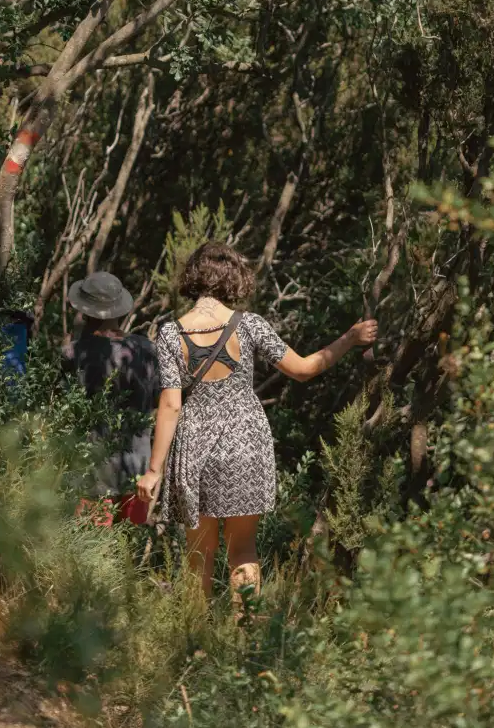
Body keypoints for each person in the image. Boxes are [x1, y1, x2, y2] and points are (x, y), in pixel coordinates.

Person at [137, 241, 378, 605]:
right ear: (234, 279)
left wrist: (154, 470)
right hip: (246, 445)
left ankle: (193, 643)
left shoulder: (172, 333)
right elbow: (303, 370)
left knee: (198, 555)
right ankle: (243, 639)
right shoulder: (249, 326)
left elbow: (170, 405)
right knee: (243, 550)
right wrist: (350, 338)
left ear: (194, 278)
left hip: (196, 448)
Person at [62, 271, 160, 522]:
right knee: (126, 550)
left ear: (84, 312)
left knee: (92, 551)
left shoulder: (73, 354)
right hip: (137, 470)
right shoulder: (147, 350)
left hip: (91, 474)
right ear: (120, 311)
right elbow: (160, 400)